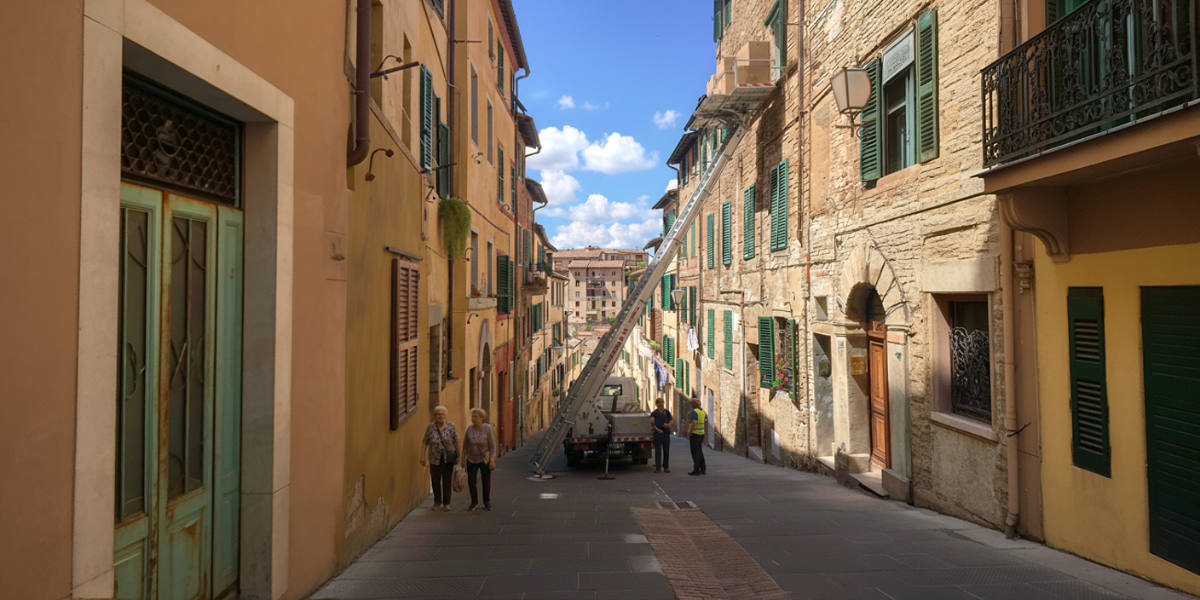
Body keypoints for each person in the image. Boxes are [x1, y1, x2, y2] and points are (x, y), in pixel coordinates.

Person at [420, 405, 460, 511]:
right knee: (435, 480)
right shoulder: (431, 427)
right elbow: (425, 442)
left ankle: (447, 503)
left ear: (446, 415)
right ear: (435, 416)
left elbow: (456, 441)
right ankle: (437, 502)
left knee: (447, 480)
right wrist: (422, 456)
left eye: (442, 414)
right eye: (438, 414)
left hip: (448, 458)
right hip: (434, 458)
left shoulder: (451, 426)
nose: (440, 416)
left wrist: (459, 456)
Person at [461, 407, 497, 511]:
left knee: (486, 481)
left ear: (482, 418)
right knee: (471, 481)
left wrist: (492, 459)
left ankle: (487, 502)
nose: (473, 418)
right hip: (471, 459)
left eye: (476, 417)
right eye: (472, 416)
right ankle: (474, 502)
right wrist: (463, 459)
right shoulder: (469, 429)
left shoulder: (487, 428)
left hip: (484, 458)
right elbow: (465, 446)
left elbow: (492, 446)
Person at [650, 397, 673, 473]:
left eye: (662, 402)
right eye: (659, 402)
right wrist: (658, 430)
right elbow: (652, 423)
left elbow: (671, 420)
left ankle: (666, 467)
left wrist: (669, 425)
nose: (661, 404)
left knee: (666, 450)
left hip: (666, 433)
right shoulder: (654, 413)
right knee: (658, 451)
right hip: (658, 433)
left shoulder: (667, 412)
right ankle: (658, 468)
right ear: (656, 404)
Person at [687, 398, 707, 476]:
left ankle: (696, 470)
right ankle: (703, 469)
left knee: (695, 452)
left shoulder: (694, 412)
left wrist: (690, 432)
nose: (690, 405)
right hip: (701, 433)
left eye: (691, 404)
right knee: (700, 451)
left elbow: (694, 422)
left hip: (695, 434)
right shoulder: (702, 412)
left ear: (693, 404)